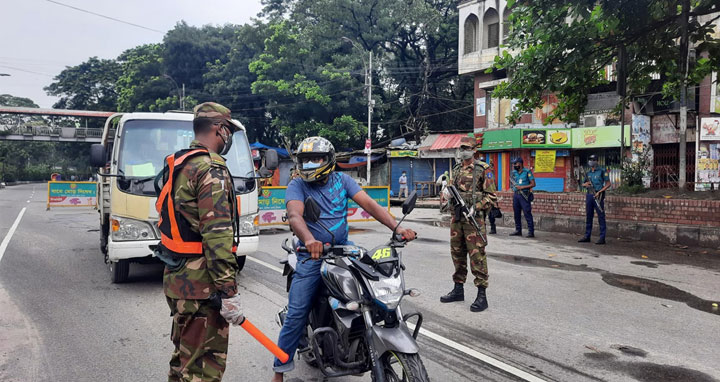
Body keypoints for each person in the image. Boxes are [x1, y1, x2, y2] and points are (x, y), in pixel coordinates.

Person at [271, 136, 416, 382]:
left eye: (315, 159)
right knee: (296, 313)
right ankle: (279, 372)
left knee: (372, 288)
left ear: (327, 161)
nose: (309, 165)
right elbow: (295, 215)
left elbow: (369, 204)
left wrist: (397, 228)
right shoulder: (297, 185)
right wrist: (308, 240)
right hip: (311, 254)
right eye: (305, 160)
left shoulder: (342, 180)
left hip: (342, 248)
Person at [156, 102, 244, 382]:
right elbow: (217, 235)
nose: (228, 136)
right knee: (202, 370)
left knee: (183, 362)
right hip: (203, 288)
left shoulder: (180, 163)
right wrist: (229, 292)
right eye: (228, 130)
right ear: (220, 129)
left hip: (179, 280)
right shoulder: (210, 169)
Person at [440, 136, 497, 312]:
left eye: (466, 147)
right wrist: (446, 193)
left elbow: (491, 197)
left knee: (477, 255)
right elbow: (450, 190)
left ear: (474, 150)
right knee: (457, 253)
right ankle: (458, 289)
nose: (463, 150)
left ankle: (482, 295)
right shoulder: (456, 169)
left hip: (474, 220)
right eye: (461, 147)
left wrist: (476, 206)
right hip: (457, 219)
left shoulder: (483, 169)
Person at [579, 154, 611, 245]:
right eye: (590, 160)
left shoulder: (602, 171)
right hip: (589, 195)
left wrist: (600, 192)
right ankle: (587, 236)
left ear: (597, 161)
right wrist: (585, 185)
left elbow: (608, 184)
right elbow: (583, 184)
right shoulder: (588, 173)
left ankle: (602, 237)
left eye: (593, 160)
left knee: (601, 216)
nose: (591, 162)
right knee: (589, 216)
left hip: (598, 195)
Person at [509, 157, 535, 238]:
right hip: (516, 195)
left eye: (515, 164)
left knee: (527, 213)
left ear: (520, 163)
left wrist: (522, 187)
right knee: (516, 213)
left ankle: (531, 232)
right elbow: (512, 180)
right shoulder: (514, 172)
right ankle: (518, 230)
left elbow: (533, 184)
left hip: (524, 195)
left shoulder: (527, 172)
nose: (514, 165)